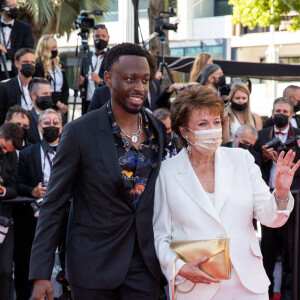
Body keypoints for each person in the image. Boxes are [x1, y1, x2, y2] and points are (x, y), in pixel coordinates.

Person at [29, 43, 165, 300]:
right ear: (107, 79)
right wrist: (40, 271)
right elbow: (54, 203)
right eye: (130, 79)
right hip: (92, 265)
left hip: (144, 267)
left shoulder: (157, 129)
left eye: (145, 80)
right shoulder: (79, 132)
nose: (139, 87)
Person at [153, 85, 299, 300]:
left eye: (216, 122)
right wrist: (179, 267)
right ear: (184, 130)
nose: (213, 129)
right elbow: (160, 236)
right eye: (203, 123)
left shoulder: (241, 160)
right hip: (197, 286)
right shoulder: (166, 172)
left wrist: (281, 193)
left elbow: (271, 218)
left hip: (249, 285)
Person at [254, 97, 300, 300]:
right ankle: (267, 293)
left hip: (291, 200)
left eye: (284, 111)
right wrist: (264, 156)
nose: (280, 114)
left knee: (290, 251)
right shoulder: (263, 134)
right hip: (266, 199)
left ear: (291, 115)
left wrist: (285, 160)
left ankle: (289, 295)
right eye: (277, 110)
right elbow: (252, 163)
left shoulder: (298, 136)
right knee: (267, 252)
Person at [14, 109, 63, 300]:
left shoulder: (71, 150)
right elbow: (18, 183)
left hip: (65, 214)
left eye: (55, 123)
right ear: (39, 127)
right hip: (34, 217)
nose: (51, 126)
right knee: (26, 260)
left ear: (62, 126)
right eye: (47, 123)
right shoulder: (27, 153)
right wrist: (32, 191)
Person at [0, 122, 24, 300]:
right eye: (3, 147)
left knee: (7, 270)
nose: (5, 152)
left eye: (8, 150)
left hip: (5, 220)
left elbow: (14, 188)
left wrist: (3, 191)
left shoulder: (13, 157)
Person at [34, 34, 69, 117]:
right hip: (46, 104)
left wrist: (64, 106)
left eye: (55, 47)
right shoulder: (38, 66)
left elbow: (65, 88)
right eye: (52, 48)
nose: (55, 50)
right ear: (45, 49)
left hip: (62, 107)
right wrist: (59, 104)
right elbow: (42, 88)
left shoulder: (60, 66)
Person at [0, 0, 34, 80]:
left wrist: (6, 51)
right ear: (4, 9)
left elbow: (28, 50)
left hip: (16, 71)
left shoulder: (24, 28)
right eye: (12, 6)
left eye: (16, 5)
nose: (15, 8)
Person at [80, 23, 110, 114]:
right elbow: (82, 75)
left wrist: (101, 81)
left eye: (103, 36)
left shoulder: (112, 56)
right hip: (87, 101)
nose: (100, 38)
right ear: (93, 37)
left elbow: (115, 80)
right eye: (97, 36)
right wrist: (82, 81)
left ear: (108, 37)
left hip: (104, 102)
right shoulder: (87, 55)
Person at [0, 48, 35, 125]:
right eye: (26, 62)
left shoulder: (39, 86)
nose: (29, 65)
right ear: (16, 64)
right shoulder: (5, 87)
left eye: (32, 63)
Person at [26, 77, 53, 144]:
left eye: (50, 94)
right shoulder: (25, 119)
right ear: (33, 95)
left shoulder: (58, 118)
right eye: (45, 94)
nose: (48, 97)